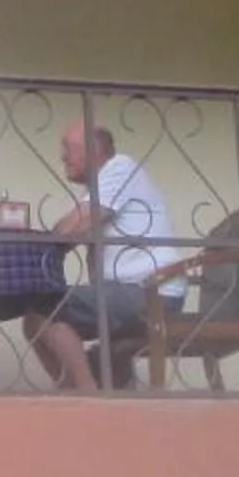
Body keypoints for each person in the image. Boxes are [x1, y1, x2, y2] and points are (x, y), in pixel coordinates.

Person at [32, 122, 185, 390]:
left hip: (150, 291)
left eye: (69, 148)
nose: (63, 157)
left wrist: (43, 243)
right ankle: (80, 394)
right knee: (41, 316)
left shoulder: (120, 168)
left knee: (44, 309)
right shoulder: (99, 189)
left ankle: (87, 397)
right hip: (130, 292)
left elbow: (74, 227)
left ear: (94, 150)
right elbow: (69, 237)